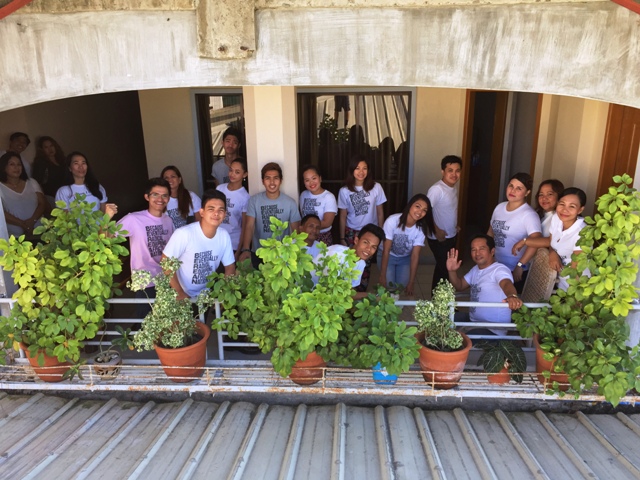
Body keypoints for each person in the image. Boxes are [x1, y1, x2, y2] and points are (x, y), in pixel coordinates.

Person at [162, 189, 236, 300]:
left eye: (221, 210)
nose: (216, 213)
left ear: (225, 214)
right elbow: (165, 262)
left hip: (207, 296)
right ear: (202, 212)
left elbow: (230, 267)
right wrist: (179, 292)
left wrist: (224, 294)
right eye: (211, 209)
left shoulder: (224, 235)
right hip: (183, 296)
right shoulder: (184, 233)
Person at [117, 178, 175, 317]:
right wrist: (107, 216)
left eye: (164, 195)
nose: (160, 199)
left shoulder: (168, 220)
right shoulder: (133, 219)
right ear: (147, 197)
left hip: (166, 278)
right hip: (145, 281)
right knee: (145, 320)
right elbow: (108, 236)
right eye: (155, 194)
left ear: (168, 198)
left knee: (165, 319)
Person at [447, 234, 523, 335]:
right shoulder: (475, 269)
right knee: (441, 320)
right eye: (473, 250)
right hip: (473, 321)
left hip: (491, 329)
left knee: (455, 339)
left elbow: (506, 284)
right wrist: (451, 271)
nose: (477, 253)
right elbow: (460, 286)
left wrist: (512, 296)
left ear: (492, 251)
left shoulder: (499, 270)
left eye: (481, 249)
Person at [513, 187, 587, 291]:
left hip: (575, 288)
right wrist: (525, 241)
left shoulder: (582, 233)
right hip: (557, 283)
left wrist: (572, 297)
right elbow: (551, 241)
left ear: (580, 210)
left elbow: (576, 273)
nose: (565, 210)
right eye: (562, 204)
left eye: (572, 206)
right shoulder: (557, 218)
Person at [338, 154, 386, 291]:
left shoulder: (376, 187)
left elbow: (380, 212)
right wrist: (342, 238)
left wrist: (380, 234)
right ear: (352, 170)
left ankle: (361, 293)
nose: (361, 172)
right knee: (350, 264)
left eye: (364, 168)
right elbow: (342, 215)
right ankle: (347, 293)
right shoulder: (344, 191)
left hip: (370, 233)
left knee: (365, 265)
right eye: (357, 168)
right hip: (352, 232)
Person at [239, 162, 301, 268]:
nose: (272, 182)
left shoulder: (290, 202)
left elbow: (296, 231)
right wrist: (246, 249)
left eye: (275, 178)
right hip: (259, 253)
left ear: (281, 180)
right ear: (263, 181)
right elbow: (249, 226)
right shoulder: (254, 200)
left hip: (282, 254)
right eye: (268, 178)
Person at [487, 172, 541, 292]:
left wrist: (520, 265)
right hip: (496, 265)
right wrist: (487, 256)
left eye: (519, 188)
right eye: (511, 186)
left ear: (527, 192)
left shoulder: (529, 215)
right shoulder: (499, 207)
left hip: (514, 270)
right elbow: (490, 232)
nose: (513, 190)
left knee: (510, 300)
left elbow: (536, 242)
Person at [378, 194, 435, 296]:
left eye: (424, 210)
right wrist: (382, 275)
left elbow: (415, 255)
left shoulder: (421, 229)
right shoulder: (392, 221)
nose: (420, 212)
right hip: (388, 255)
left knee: (400, 287)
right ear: (410, 205)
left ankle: (395, 304)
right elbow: (386, 250)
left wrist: (411, 282)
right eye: (417, 206)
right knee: (389, 287)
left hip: (404, 258)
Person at [313, 223, 385, 299]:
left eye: (373, 247)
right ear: (356, 240)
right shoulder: (337, 255)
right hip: (312, 293)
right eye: (365, 242)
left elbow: (350, 290)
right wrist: (371, 296)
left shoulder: (361, 263)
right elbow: (334, 291)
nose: (368, 249)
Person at [426, 155, 462, 294]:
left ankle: (440, 301)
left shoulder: (452, 188)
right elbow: (425, 212)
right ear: (443, 171)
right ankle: (438, 301)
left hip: (450, 235)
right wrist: (436, 230)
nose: (454, 174)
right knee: (445, 270)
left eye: (457, 171)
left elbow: (448, 210)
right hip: (439, 238)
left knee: (443, 269)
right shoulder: (437, 189)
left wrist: (454, 225)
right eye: (450, 170)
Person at [0, 151, 48, 238]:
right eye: (12, 164)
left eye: (19, 164)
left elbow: (42, 203)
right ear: (4, 167)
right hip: (14, 237)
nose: (16, 167)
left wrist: (32, 221)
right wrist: (22, 224)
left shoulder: (32, 182)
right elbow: (2, 212)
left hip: (40, 232)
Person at [55, 151, 117, 216]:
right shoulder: (63, 191)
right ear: (70, 168)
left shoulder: (96, 186)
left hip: (98, 223)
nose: (81, 167)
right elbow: (65, 219)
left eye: (83, 163)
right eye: (76, 163)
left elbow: (103, 213)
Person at [216, 158, 250, 257]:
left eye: (237, 172)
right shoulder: (219, 189)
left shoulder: (245, 197)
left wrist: (239, 251)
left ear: (245, 174)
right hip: (216, 240)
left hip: (233, 243)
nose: (232, 174)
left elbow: (244, 226)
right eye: (231, 170)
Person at [299, 165, 337, 245]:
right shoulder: (303, 195)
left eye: (314, 178)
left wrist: (309, 227)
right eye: (307, 180)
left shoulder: (329, 197)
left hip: (322, 236)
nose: (311, 182)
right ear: (304, 183)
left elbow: (327, 223)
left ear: (320, 178)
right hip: (305, 236)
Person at [161, 165, 202, 229]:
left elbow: (200, 220)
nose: (170, 180)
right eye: (166, 178)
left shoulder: (191, 196)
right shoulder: (160, 200)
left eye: (173, 176)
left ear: (179, 180)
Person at [32, 136, 68, 204]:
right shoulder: (41, 163)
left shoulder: (62, 160)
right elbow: (37, 182)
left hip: (66, 194)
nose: (50, 149)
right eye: (46, 147)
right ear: (42, 149)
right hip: (51, 196)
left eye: (51, 146)